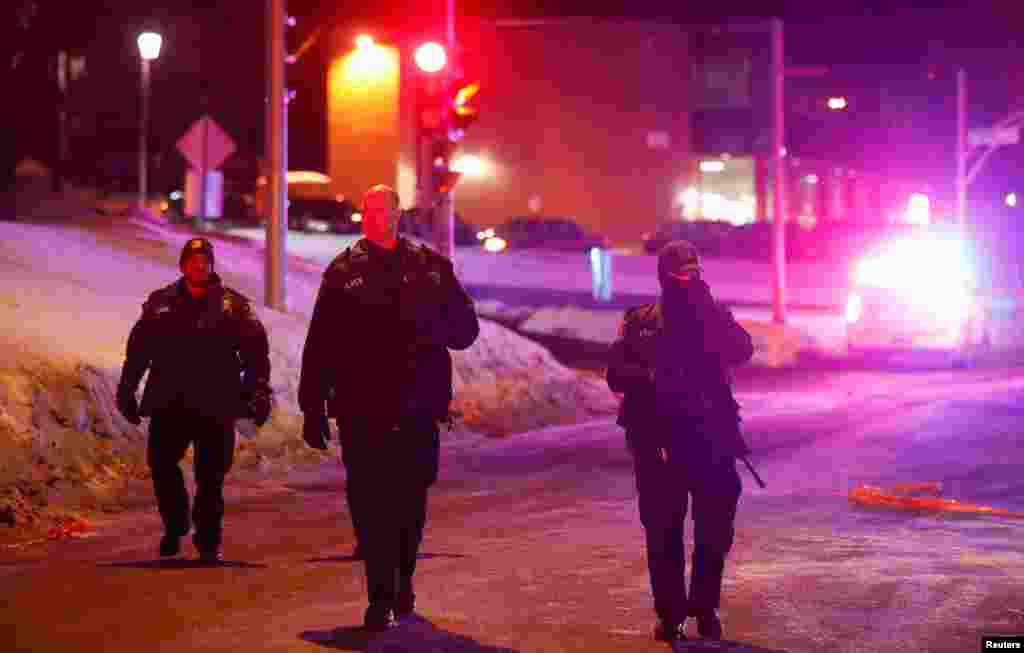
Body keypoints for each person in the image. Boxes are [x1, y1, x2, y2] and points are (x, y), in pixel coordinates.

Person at [298, 185, 479, 632]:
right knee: (369, 501)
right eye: (368, 209)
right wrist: (312, 405)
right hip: (363, 406)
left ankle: (402, 580)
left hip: (418, 404)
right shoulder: (344, 272)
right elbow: (321, 343)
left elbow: (465, 331)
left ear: (398, 215)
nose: (375, 216)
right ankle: (380, 593)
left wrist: (439, 321)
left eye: (383, 209)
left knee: (410, 500)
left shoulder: (429, 269)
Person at [606, 240, 754, 642]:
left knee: (713, 532)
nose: (688, 279)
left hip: (710, 439)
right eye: (680, 272)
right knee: (663, 532)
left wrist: (708, 310)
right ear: (664, 274)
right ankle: (670, 615)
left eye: (694, 271)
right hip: (658, 441)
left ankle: (705, 609)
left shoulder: (713, 314)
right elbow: (616, 374)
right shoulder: (640, 321)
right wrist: (654, 378)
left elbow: (743, 349)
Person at [116, 237, 273, 562]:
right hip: (169, 401)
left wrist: (258, 390)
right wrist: (127, 387)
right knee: (161, 464)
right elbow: (139, 349)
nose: (199, 266)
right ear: (182, 265)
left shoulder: (234, 307)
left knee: (211, 476)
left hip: (215, 403)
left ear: (212, 266)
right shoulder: (160, 304)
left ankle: (208, 542)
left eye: (204, 261)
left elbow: (256, 354)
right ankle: (175, 526)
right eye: (193, 260)